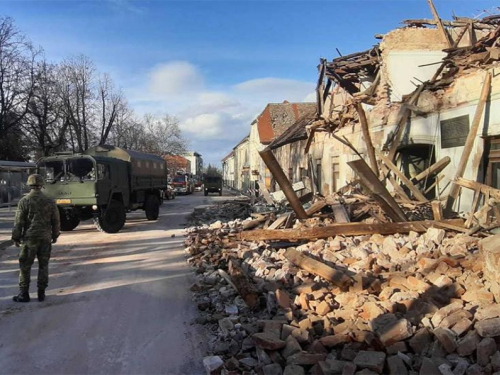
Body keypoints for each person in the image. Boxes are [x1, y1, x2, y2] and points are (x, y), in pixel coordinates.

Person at [11, 174, 60, 302]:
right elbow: (56, 221)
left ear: (29, 185)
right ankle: (41, 293)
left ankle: (24, 294)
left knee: (25, 266)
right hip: (45, 238)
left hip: (29, 239)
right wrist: (55, 235)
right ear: (42, 185)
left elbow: (19, 222)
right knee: (43, 265)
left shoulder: (24, 201)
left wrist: (16, 237)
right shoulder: (50, 201)